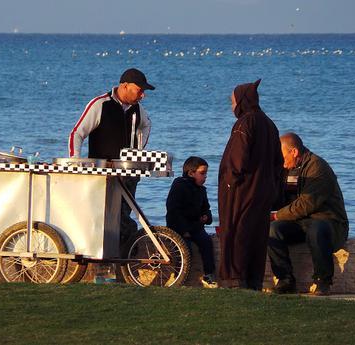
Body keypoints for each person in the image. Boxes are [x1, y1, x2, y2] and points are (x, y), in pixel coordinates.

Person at [68, 68, 154, 247]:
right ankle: (101, 261)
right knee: (100, 217)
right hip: (102, 174)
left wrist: (138, 151)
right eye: (140, 90)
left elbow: (147, 125)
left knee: (123, 215)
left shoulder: (138, 109)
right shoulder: (101, 104)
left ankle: (122, 260)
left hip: (128, 173)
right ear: (124, 86)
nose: (142, 95)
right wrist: (75, 162)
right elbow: (77, 133)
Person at [218, 79, 283, 290]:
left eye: (232, 101)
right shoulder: (269, 124)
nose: (232, 106)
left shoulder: (245, 123)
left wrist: (230, 181)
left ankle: (234, 279)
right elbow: (278, 162)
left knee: (237, 232)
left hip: (242, 191)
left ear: (242, 101)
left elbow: (237, 160)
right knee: (256, 234)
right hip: (263, 191)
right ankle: (253, 279)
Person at [268, 132, 349, 295]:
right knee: (273, 230)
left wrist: (276, 215)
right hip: (300, 221)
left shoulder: (317, 167)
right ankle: (285, 279)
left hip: (328, 221)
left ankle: (323, 280)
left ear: (294, 152)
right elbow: (278, 198)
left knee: (316, 228)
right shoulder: (287, 169)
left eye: (283, 157)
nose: (282, 164)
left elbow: (306, 205)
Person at [166, 156, 218, 288]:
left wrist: (206, 216)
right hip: (179, 227)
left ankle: (209, 274)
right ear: (191, 173)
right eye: (202, 173)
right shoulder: (179, 185)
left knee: (206, 242)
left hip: (195, 227)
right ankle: (179, 276)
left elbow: (206, 208)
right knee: (185, 248)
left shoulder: (201, 190)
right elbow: (173, 210)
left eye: (206, 173)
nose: (205, 177)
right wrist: (184, 231)